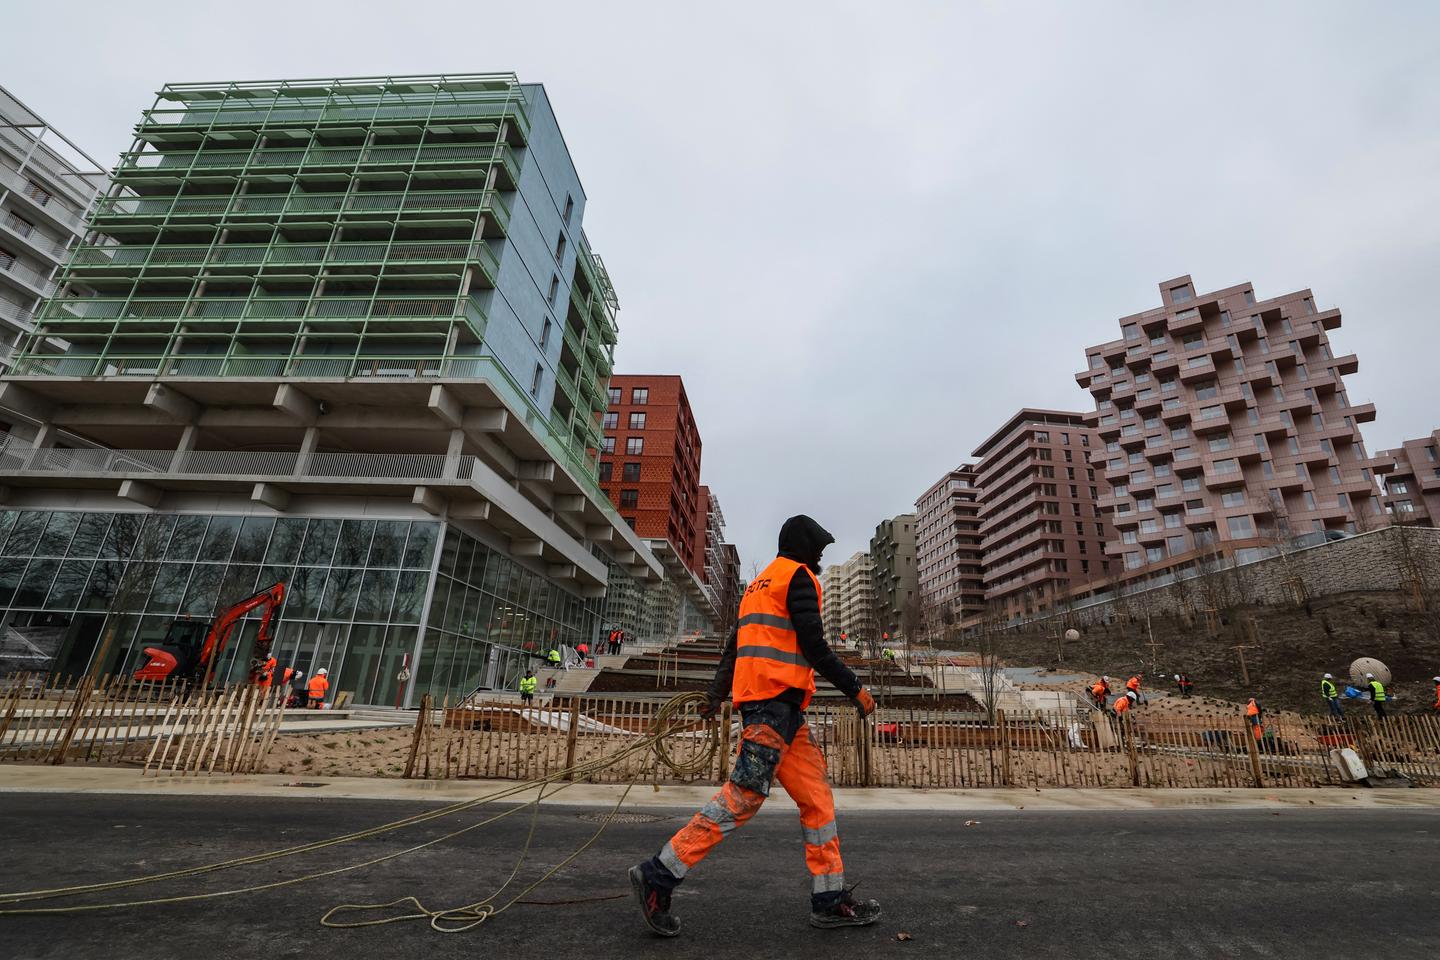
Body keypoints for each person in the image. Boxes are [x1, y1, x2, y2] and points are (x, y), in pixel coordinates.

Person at [629, 515, 882, 937]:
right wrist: (855, 688)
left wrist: (714, 696)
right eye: (818, 549)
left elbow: (734, 648)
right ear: (803, 548)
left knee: (817, 801)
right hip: (773, 709)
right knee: (742, 797)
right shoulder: (798, 578)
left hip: (782, 713)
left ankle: (830, 899)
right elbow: (815, 646)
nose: (821, 556)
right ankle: (659, 874)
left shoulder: (757, 587)